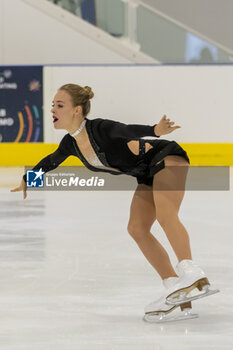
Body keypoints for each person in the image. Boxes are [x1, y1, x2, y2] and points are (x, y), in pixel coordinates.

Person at [11, 83, 217, 322]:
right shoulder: (71, 143)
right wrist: (30, 179)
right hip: (146, 172)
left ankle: (191, 272)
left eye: (59, 105)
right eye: (53, 106)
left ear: (77, 110)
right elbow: (52, 161)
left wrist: (156, 129)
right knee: (137, 228)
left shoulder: (100, 128)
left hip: (167, 157)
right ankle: (175, 288)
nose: (53, 110)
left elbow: (128, 130)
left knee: (165, 214)